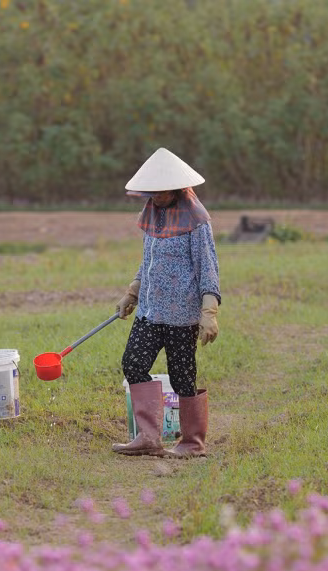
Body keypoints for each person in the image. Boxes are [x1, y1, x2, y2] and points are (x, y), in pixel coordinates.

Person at [112, 147, 221, 458]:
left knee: (182, 376)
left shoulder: (197, 222)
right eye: (152, 192)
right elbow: (149, 261)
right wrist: (132, 293)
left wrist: (209, 312)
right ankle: (148, 437)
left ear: (175, 188)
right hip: (149, 311)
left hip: (182, 315)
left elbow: (208, 268)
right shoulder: (153, 217)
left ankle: (192, 443)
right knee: (133, 364)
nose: (156, 197)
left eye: (161, 191)